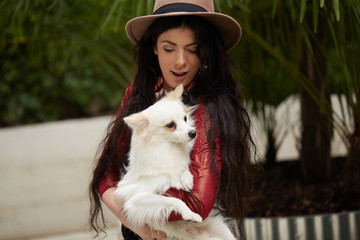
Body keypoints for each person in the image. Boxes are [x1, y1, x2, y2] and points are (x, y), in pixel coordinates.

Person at [89, 0, 257, 239]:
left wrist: (136, 199)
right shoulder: (140, 90)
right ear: (154, 47)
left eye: (192, 49)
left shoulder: (209, 105)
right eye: (169, 48)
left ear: (206, 52)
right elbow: (106, 173)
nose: (180, 61)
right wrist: (139, 226)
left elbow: (197, 203)